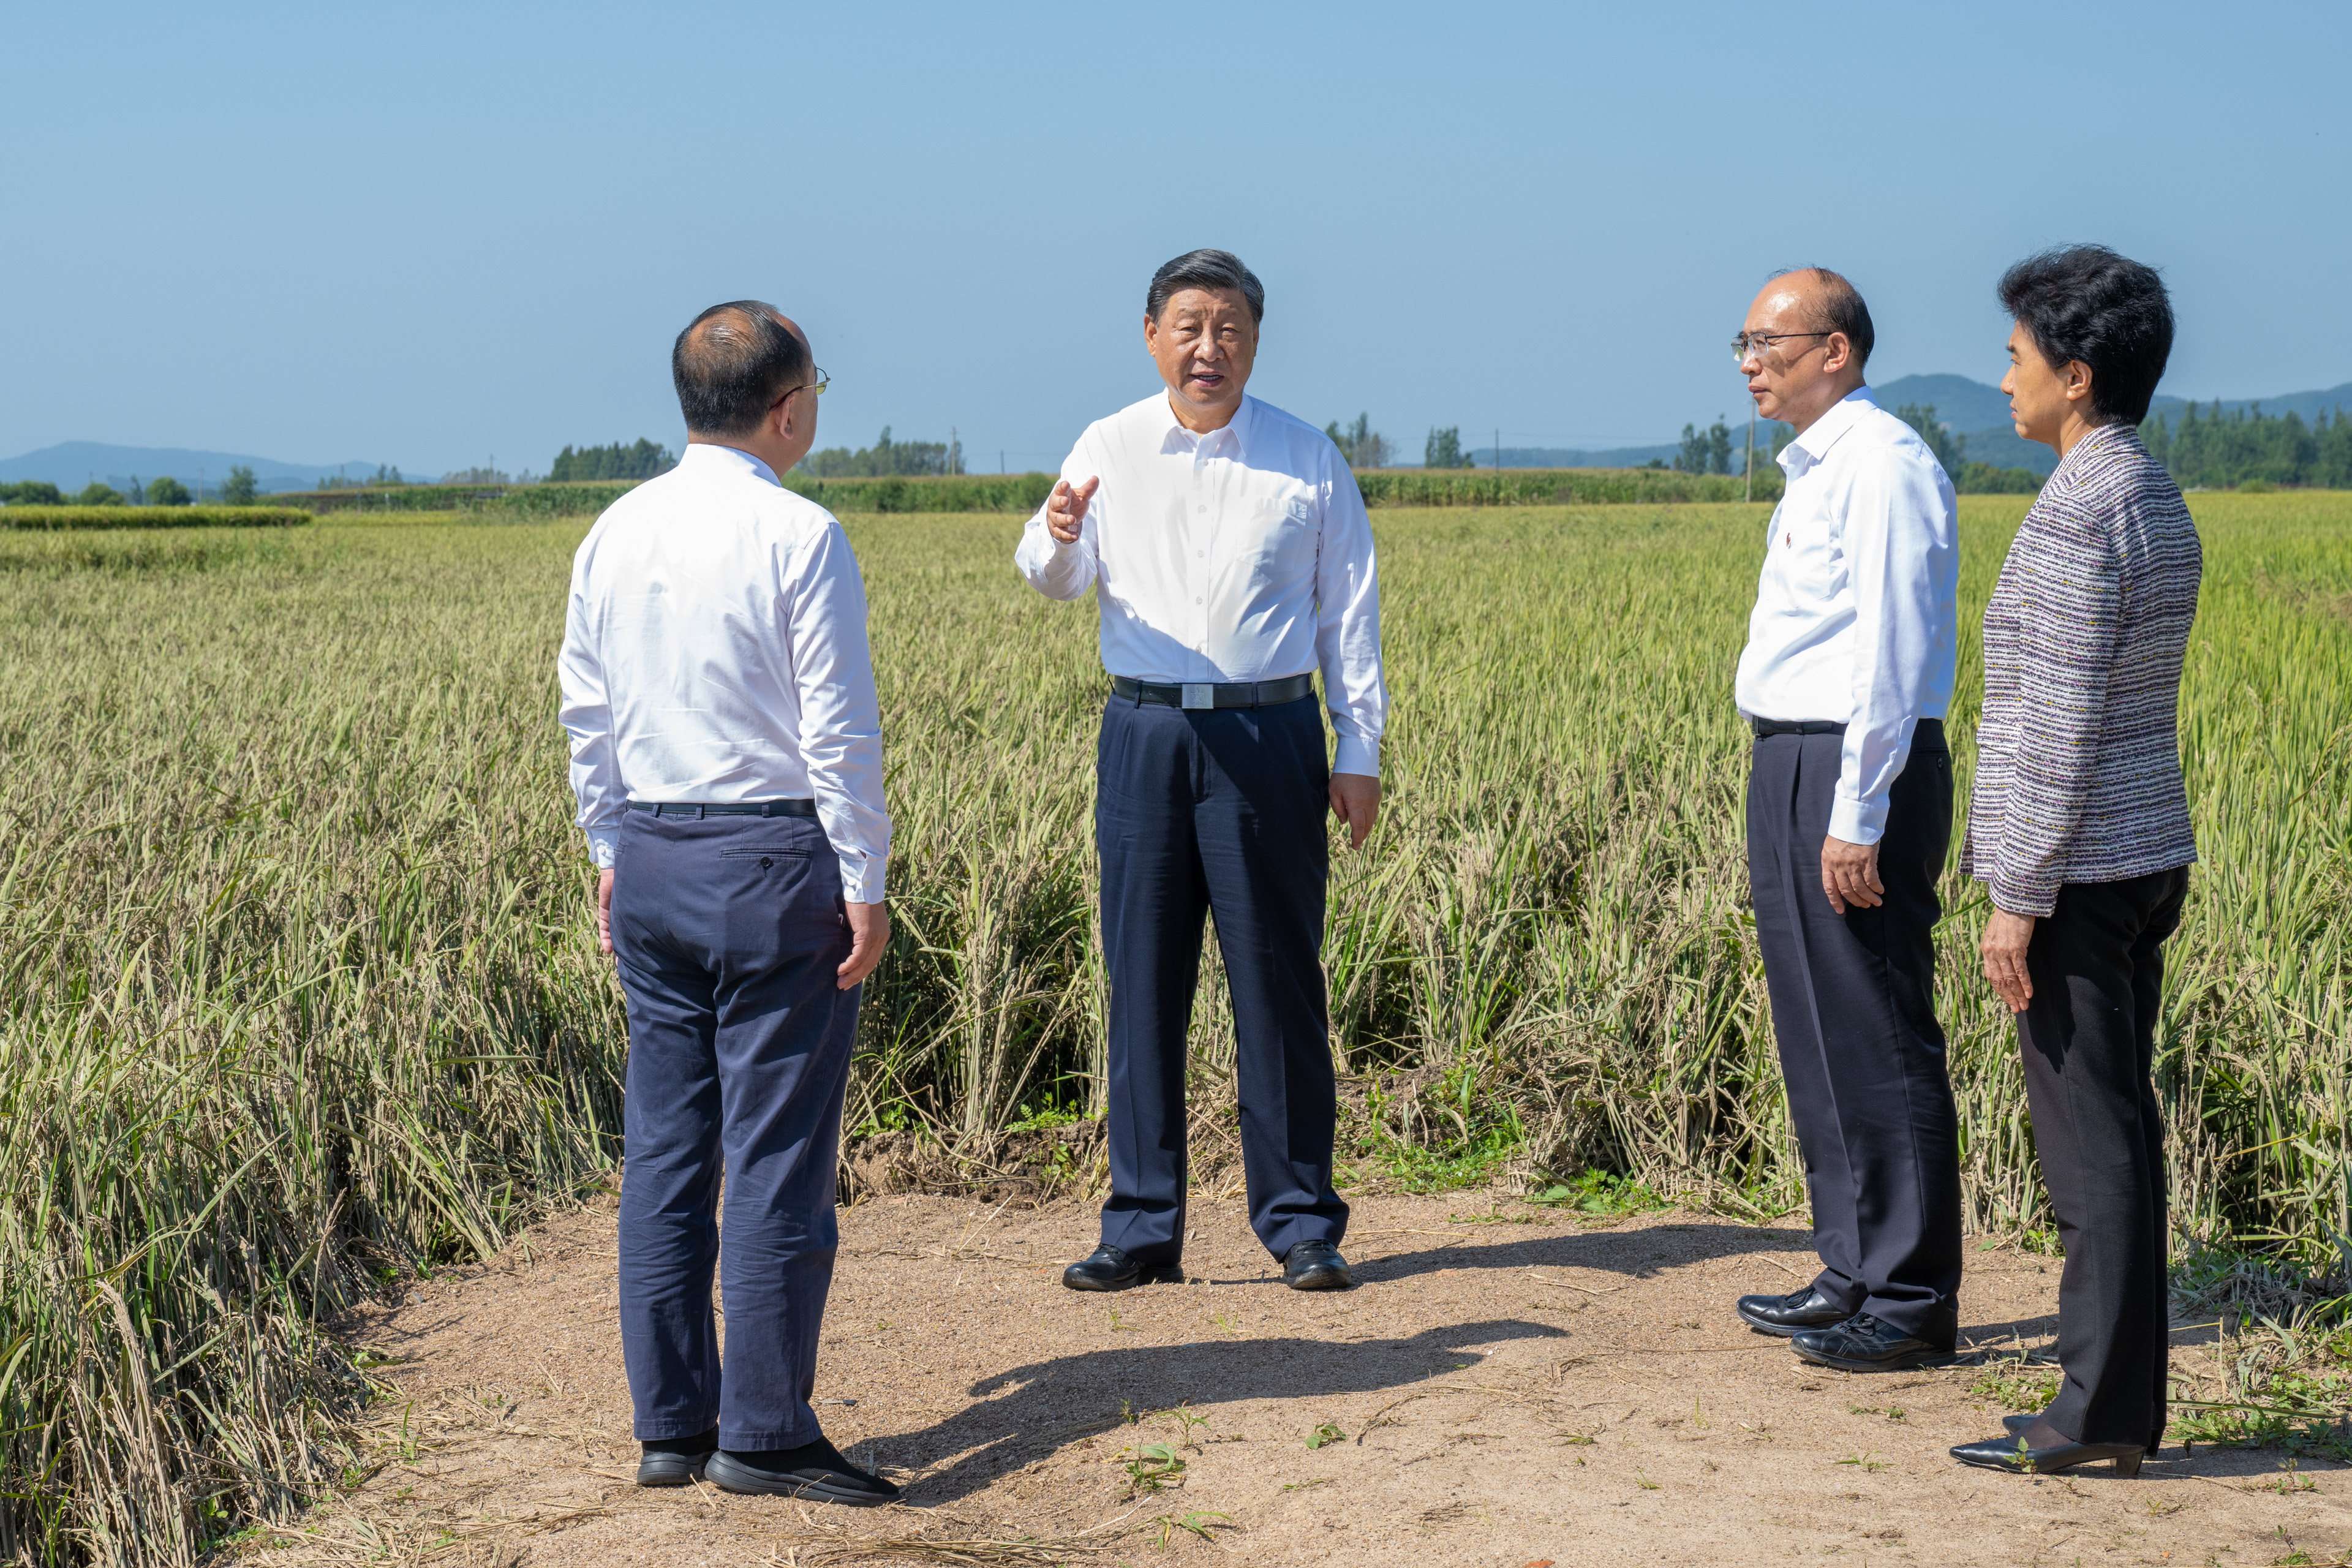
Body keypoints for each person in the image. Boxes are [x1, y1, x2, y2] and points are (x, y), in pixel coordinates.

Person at [557, 301, 900, 1504]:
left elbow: (585, 715)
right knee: (775, 1153)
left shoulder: (612, 528)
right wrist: (866, 878)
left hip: (648, 850)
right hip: (770, 863)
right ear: (791, 406)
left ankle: (670, 1424)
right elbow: (837, 731)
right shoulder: (804, 534)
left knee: (664, 1145)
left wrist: (610, 846)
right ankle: (763, 1429)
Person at [1015, 249, 1387, 1294]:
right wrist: (1056, 535)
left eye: (1228, 328)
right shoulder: (1107, 445)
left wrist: (1357, 750)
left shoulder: (1307, 460)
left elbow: (1346, 615)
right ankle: (1140, 1225)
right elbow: (1053, 575)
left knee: (1278, 982)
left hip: (1270, 736)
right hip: (1144, 736)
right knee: (1142, 979)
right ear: (1151, 336)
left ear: (1256, 341)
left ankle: (1301, 1221)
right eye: (1188, 326)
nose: (1207, 347)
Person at [1948, 247, 2201, 1478]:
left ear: (2077, 373)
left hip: (2082, 868)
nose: (2005, 379)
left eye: (2017, 356)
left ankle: (2094, 1411)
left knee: (2091, 1148)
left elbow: (2050, 727)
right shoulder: (2152, 492)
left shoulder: (2071, 514)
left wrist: (2019, 897)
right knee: (2125, 1132)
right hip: (2148, 847)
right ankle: (2118, 1403)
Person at [1727, 268, 1966, 1372]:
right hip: (1794, 754)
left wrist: (1856, 811)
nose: (1749, 361)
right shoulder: (1816, 467)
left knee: (1874, 1024)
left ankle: (1913, 1297)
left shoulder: (1884, 463)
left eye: (1769, 342)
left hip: (1853, 765)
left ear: (1838, 351)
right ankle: (1851, 1265)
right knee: (1817, 1026)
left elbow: (1893, 649)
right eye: (1742, 342)